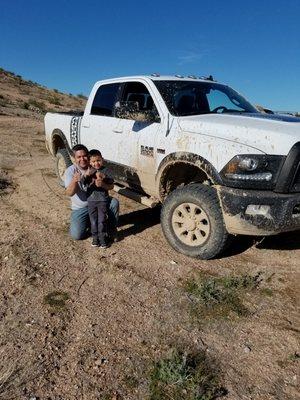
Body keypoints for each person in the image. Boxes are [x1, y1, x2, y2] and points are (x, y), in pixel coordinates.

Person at [64, 144, 119, 241]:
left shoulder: (95, 165)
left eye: (84, 156)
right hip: (81, 207)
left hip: (99, 201)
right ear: (74, 158)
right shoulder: (70, 171)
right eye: (79, 157)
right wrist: (74, 180)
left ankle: (111, 230)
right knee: (76, 235)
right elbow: (69, 193)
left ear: (88, 156)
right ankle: (90, 222)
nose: (82, 159)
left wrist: (103, 185)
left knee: (114, 202)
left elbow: (111, 186)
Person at [84, 149, 113, 248]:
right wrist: (87, 176)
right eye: (93, 161)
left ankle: (103, 240)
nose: (96, 163)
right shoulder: (89, 171)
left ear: (102, 159)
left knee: (101, 221)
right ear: (89, 162)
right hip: (91, 200)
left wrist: (103, 177)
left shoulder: (105, 170)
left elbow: (111, 182)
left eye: (98, 160)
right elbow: (84, 183)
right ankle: (95, 239)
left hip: (102, 200)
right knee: (93, 221)